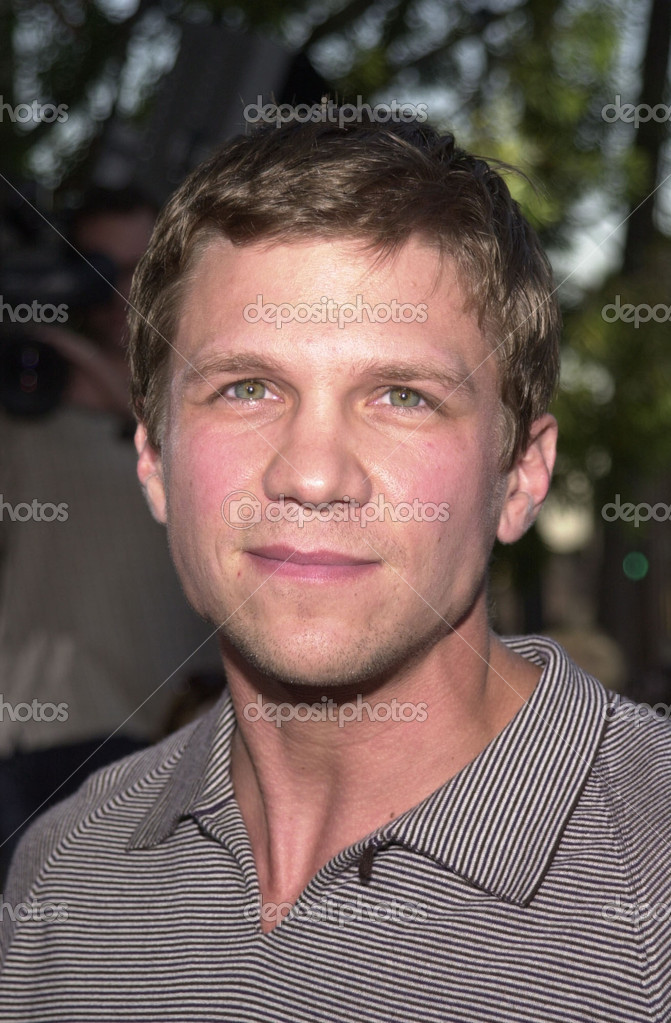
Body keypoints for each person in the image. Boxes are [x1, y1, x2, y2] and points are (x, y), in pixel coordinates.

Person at [1, 115, 669, 1022]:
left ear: (518, 477)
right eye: (247, 388)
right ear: (154, 459)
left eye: (401, 395)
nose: (313, 474)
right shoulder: (63, 873)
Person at [0, 187, 222, 885]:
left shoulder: (219, 401)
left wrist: (102, 379)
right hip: (32, 741)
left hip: (175, 751)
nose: (122, 291)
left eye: (143, 267)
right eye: (99, 268)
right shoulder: (25, 407)